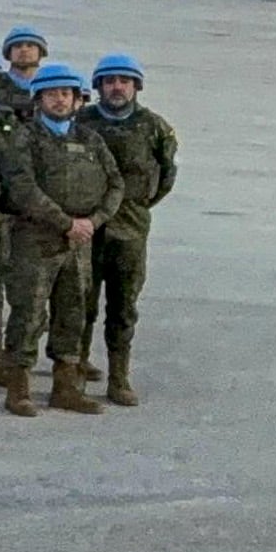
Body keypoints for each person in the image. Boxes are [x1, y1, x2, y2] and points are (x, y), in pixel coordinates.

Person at [0, 60, 122, 416]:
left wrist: (93, 222)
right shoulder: (24, 137)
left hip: (79, 242)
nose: (59, 100)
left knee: (73, 313)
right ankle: (18, 388)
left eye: (65, 94)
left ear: (77, 99)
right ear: (39, 99)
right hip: (35, 240)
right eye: (52, 94)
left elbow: (115, 185)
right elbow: (22, 188)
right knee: (29, 313)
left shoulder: (90, 139)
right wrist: (65, 221)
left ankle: (66, 387)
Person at [82, 53, 174, 406]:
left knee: (123, 306)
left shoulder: (154, 127)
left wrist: (138, 207)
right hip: (87, 227)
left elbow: (166, 176)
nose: (117, 87)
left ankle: (119, 377)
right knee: (79, 303)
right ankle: (73, 369)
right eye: (109, 81)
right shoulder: (82, 122)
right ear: (99, 87)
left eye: (124, 81)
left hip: (130, 230)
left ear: (136, 86)